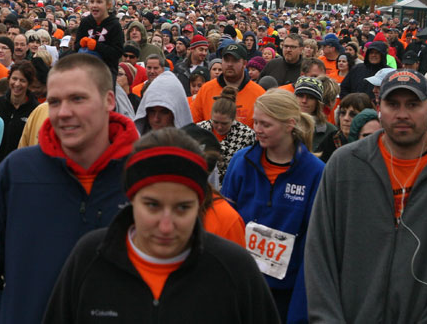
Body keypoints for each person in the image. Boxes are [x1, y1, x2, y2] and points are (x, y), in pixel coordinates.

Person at [0, 54, 139, 324]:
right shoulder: (17, 172)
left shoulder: (145, 175)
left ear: (109, 101)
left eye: (78, 99)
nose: (63, 112)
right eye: (54, 101)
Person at [43, 128, 279, 324]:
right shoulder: (90, 257)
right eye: (153, 206)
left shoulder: (234, 269)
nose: (166, 226)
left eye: (182, 208)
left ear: (200, 204)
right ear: (131, 199)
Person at [306, 69, 427, 322]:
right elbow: (320, 253)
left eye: (413, 104)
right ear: (378, 108)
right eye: (393, 104)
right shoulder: (345, 165)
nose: (403, 114)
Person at [222, 89, 324, 323]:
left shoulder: (316, 172)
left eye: (266, 124)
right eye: (255, 122)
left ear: (290, 124)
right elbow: (226, 224)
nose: (257, 129)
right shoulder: (241, 161)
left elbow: (313, 245)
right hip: (243, 286)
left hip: (285, 294)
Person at [191, 43, 265, 128]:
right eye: (226, 60)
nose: (230, 64)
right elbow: (194, 125)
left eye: (235, 60)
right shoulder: (206, 90)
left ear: (244, 64)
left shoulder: (259, 94)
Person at [196, 85, 256, 182]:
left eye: (224, 123)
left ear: (233, 119)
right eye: (215, 122)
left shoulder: (247, 135)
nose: (219, 127)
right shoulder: (200, 130)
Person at [0, 60, 38, 163]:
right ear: (9, 79)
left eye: (22, 80)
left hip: (20, 167)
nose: (17, 84)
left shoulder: (35, 110)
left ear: (29, 83)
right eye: (14, 79)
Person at [74, 0, 124, 79]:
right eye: (92, 1)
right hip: (85, 70)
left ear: (108, 5)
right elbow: (76, 46)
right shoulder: (85, 22)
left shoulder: (114, 25)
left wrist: (96, 46)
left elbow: (117, 52)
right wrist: (81, 43)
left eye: (99, 2)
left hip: (106, 73)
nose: (94, 5)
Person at [133, 70, 193, 135]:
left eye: (164, 112)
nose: (156, 119)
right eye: (152, 111)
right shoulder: (138, 144)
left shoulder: (193, 143)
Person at [293, 76, 337, 153]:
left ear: (318, 103)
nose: (304, 100)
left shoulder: (330, 131)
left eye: (310, 97)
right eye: (300, 96)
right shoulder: (284, 125)